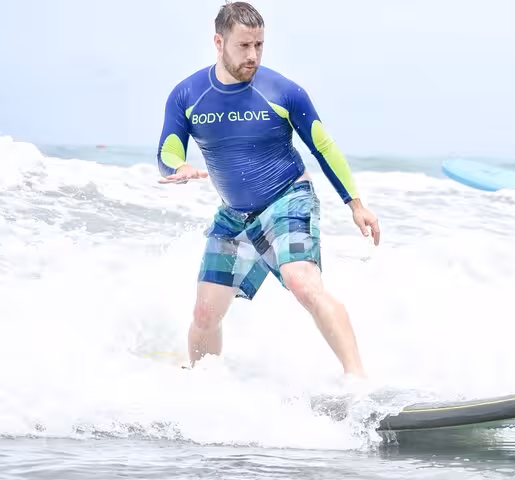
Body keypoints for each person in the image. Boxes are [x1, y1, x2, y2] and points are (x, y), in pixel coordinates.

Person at [155, 2, 380, 378]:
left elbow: (323, 147)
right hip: (234, 214)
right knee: (205, 313)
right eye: (244, 46)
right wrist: (178, 166)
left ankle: (358, 382)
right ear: (218, 42)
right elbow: (168, 149)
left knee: (302, 281)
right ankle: (202, 387)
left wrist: (355, 204)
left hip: (288, 196)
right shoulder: (188, 94)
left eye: (259, 45)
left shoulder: (283, 91)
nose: (253, 55)